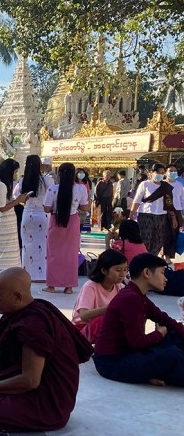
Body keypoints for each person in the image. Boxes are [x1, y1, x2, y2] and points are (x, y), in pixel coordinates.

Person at [0, 267, 94, 432]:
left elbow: (30, 380)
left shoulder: (34, 324)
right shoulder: (20, 310)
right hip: (22, 383)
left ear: (17, 296)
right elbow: (7, 368)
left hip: (44, 403)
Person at [94, 253, 184, 387]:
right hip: (113, 362)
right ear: (147, 273)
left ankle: (154, 373)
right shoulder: (131, 299)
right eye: (162, 273)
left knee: (174, 337)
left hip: (130, 353)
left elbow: (165, 319)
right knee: (172, 356)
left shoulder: (137, 295)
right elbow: (138, 343)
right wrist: (159, 333)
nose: (165, 279)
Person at [42, 162, 90, 294]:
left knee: (53, 253)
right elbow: (85, 207)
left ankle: (51, 285)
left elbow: (46, 208)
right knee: (71, 254)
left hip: (56, 220)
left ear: (59, 174)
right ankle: (68, 287)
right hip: (73, 221)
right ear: (74, 174)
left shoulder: (53, 189)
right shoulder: (80, 189)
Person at [72, 249, 127, 344]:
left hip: (103, 328)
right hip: (81, 329)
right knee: (103, 320)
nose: (123, 274)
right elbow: (83, 315)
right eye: (118, 270)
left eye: (125, 269)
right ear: (104, 270)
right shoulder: (90, 286)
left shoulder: (120, 287)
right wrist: (110, 308)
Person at [13, 155, 53, 282]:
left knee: (27, 246)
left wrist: (26, 202)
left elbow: (16, 196)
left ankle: (27, 274)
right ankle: (41, 275)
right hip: (42, 215)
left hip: (27, 214)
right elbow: (51, 196)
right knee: (42, 245)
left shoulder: (23, 181)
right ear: (39, 165)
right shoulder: (47, 180)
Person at [130, 163, 173, 256]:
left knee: (159, 238)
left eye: (162, 173)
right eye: (158, 172)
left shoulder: (166, 186)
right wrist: (131, 214)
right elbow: (137, 200)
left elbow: (169, 203)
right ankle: (144, 256)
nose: (160, 175)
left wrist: (173, 217)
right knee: (146, 238)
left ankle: (152, 257)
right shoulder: (145, 184)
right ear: (151, 173)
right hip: (146, 214)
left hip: (161, 215)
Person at [0, 159, 26, 272]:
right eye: (15, 171)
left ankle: (11, 276)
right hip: (5, 222)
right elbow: (2, 208)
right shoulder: (1, 185)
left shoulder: (1, 185)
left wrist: (18, 200)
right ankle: (4, 276)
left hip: (9, 222)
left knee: (11, 253)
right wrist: (17, 201)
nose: (15, 174)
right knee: (5, 254)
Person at [165, 165, 184, 259]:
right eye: (170, 171)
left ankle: (170, 254)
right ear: (166, 172)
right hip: (164, 211)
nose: (172, 172)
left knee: (175, 233)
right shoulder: (162, 184)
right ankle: (166, 254)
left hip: (177, 211)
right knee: (166, 233)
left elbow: (182, 200)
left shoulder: (179, 185)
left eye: (174, 171)